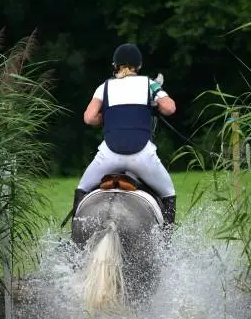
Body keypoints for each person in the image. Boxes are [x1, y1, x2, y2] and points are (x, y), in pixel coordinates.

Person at [71, 43, 177, 228]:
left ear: (115, 65)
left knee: (82, 189)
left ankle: (74, 241)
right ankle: (166, 244)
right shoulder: (149, 84)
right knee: (168, 193)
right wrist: (156, 105)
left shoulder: (104, 87)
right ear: (139, 66)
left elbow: (89, 118)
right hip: (142, 158)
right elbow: (169, 108)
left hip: (109, 158)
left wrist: (105, 117)